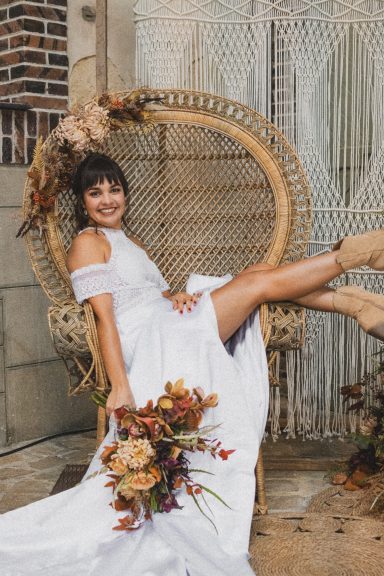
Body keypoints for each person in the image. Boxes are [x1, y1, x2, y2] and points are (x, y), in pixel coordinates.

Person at [0, 153, 383, 576]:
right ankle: (358, 255)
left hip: (167, 322)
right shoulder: (87, 243)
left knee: (257, 272)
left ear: (126, 193)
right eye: (96, 193)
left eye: (115, 189)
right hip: (154, 342)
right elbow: (108, 318)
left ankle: (352, 303)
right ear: (82, 201)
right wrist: (120, 385)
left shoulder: (131, 242)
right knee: (257, 283)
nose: (108, 200)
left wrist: (174, 296)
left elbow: (145, 291)